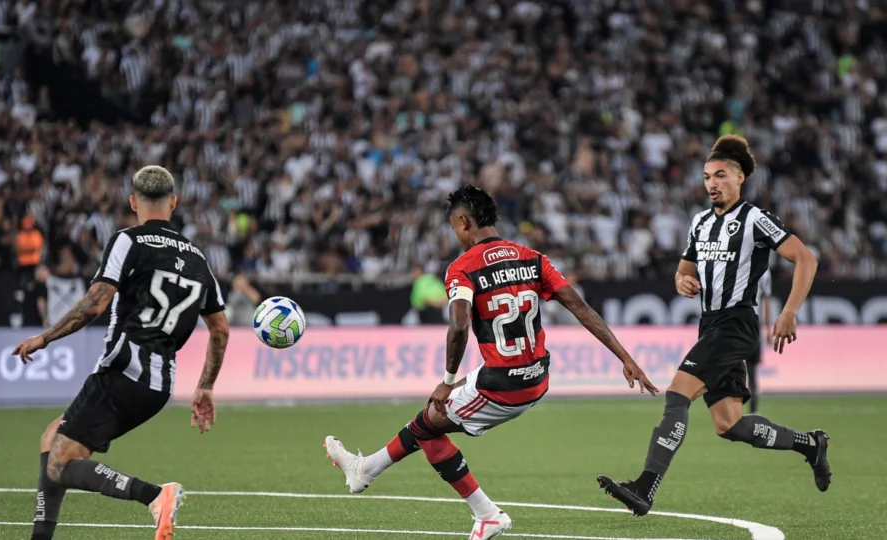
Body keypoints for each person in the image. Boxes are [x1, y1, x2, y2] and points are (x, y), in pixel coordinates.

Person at [325, 185, 658, 540]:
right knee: (428, 419)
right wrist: (626, 358)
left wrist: (448, 378)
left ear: (465, 221)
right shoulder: (532, 257)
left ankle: (487, 514)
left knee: (426, 427)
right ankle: (365, 470)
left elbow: (458, 324)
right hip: (538, 378)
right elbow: (580, 307)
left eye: (454, 226)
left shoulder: (463, 268)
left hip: (502, 385)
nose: (456, 234)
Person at [596, 136, 831, 517]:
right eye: (707, 176)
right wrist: (680, 281)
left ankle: (645, 487)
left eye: (720, 175)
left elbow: (805, 258)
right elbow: (684, 270)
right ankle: (810, 443)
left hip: (736, 323)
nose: (711, 183)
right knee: (729, 424)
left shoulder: (755, 219)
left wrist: (789, 311)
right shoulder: (700, 223)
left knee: (677, 395)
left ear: (740, 178)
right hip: (709, 325)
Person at [13, 165, 230, 540]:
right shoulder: (198, 260)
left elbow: (95, 303)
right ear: (173, 203)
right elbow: (220, 330)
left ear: (133, 202)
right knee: (53, 440)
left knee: (60, 463)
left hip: (124, 368)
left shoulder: (128, 241)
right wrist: (206, 386)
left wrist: (45, 338)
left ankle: (154, 495)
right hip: (159, 383)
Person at [748, 267, 772, 413]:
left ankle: (753, 411)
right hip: (735, 322)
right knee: (735, 369)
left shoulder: (764, 271)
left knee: (751, 370)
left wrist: (768, 328)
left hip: (752, 324)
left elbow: (766, 299)